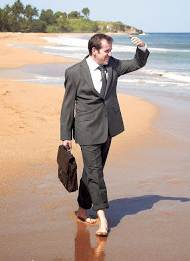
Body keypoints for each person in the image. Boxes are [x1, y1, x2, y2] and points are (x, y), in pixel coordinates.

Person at [60, 33, 149, 237]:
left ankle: (82, 209)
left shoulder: (113, 65)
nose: (110, 54)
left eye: (111, 50)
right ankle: (103, 219)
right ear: (94, 51)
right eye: (106, 51)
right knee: (96, 172)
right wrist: (66, 135)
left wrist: (142, 47)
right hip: (86, 129)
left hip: (108, 128)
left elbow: (137, 63)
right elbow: (67, 106)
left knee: (92, 171)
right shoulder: (74, 72)